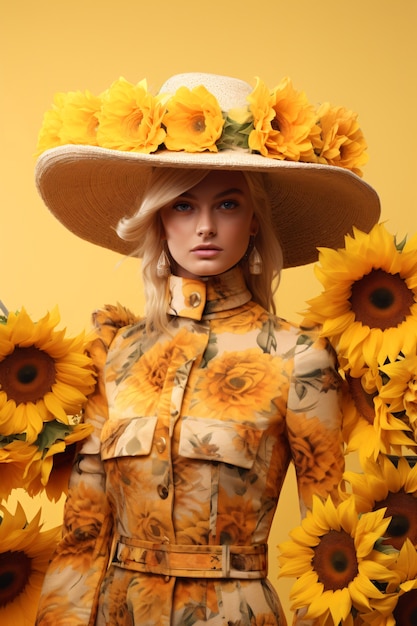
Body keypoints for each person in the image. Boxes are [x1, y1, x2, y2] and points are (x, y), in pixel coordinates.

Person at [34, 72, 380, 625]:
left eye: (226, 204)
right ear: (158, 221)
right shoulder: (116, 352)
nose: (204, 228)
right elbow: (83, 532)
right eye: (182, 206)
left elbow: (330, 535)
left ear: (253, 220)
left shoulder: (299, 356)